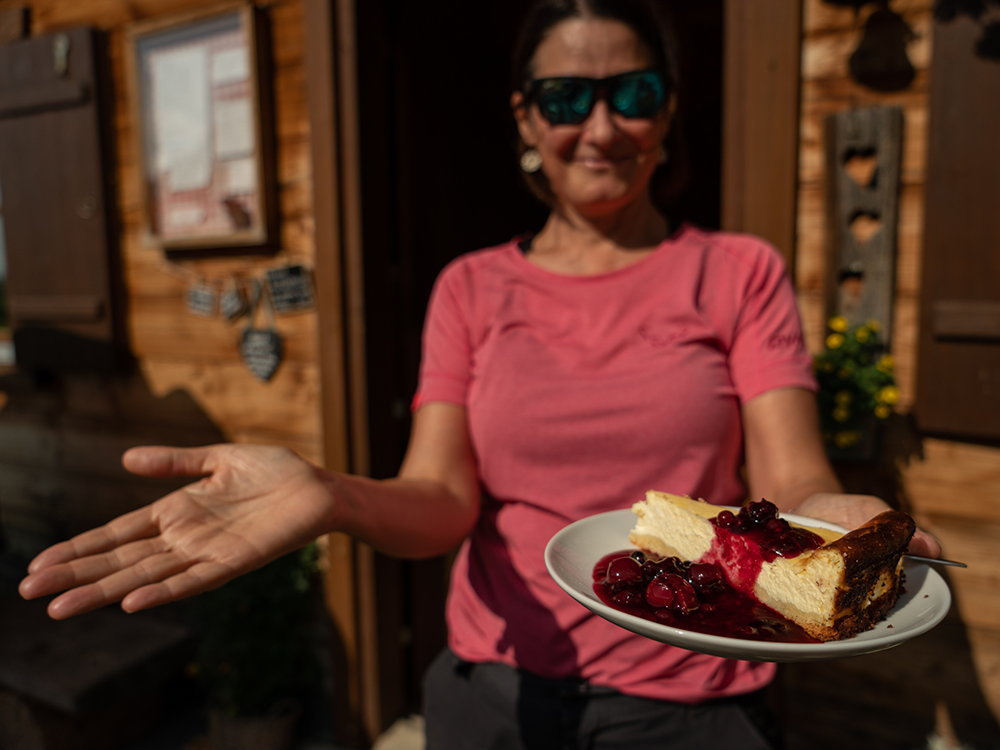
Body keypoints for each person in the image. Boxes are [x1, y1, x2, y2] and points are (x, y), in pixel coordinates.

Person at [19, 0, 940, 747]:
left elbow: (789, 476)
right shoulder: (469, 287)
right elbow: (442, 500)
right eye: (567, 97)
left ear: (668, 107)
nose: (603, 126)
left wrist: (835, 520)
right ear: (525, 116)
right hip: (492, 695)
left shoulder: (739, 271)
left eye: (635, 92)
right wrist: (333, 495)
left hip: (692, 700)